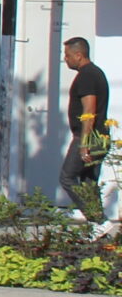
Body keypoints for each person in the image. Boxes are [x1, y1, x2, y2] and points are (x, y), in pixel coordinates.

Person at [63, 37, 109, 215]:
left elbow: (89, 111)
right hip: (100, 137)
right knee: (89, 181)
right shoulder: (95, 73)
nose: (65, 59)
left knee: (67, 177)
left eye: (67, 55)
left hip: (90, 138)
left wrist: (84, 144)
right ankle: (99, 228)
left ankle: (97, 219)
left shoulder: (87, 76)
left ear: (79, 55)